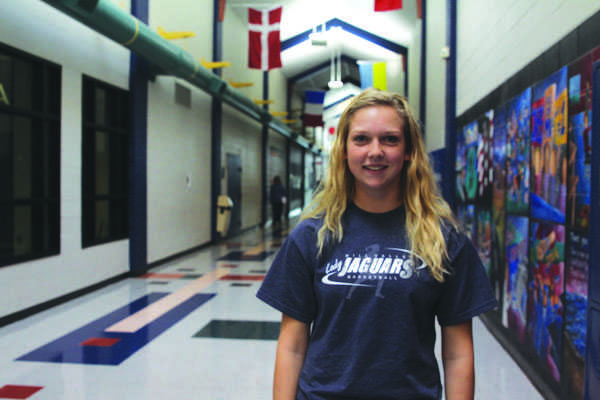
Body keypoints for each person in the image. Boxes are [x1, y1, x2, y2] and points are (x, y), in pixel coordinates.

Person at [256, 89, 498, 400]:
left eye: (390, 139)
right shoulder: (312, 237)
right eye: (361, 139)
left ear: (409, 150)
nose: (375, 151)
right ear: (343, 150)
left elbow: (458, 353)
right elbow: (291, 345)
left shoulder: (442, 239)